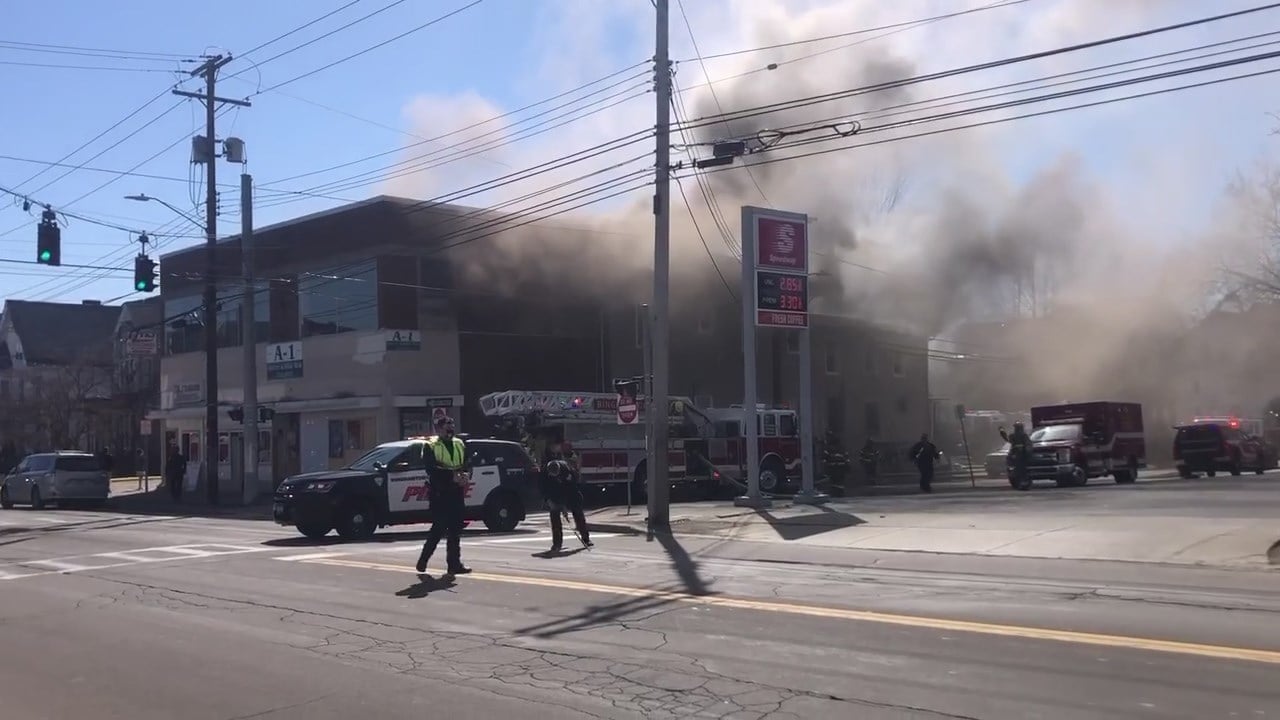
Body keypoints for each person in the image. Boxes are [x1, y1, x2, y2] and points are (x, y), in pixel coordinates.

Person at [415, 415, 472, 575]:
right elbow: (431, 469)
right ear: (438, 429)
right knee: (438, 528)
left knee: (455, 529)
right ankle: (424, 559)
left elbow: (467, 463)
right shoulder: (430, 445)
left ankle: (454, 564)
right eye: (446, 427)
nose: (450, 430)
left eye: (452, 427)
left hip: (456, 492)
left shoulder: (459, 443)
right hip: (439, 492)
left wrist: (466, 475)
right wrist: (451, 475)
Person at [541, 455, 592, 552]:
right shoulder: (544, 473)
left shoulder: (567, 470)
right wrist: (548, 500)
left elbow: (570, 488)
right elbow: (543, 488)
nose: (555, 477)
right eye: (553, 475)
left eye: (556, 475)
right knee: (555, 517)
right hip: (553, 495)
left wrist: (564, 507)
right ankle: (557, 543)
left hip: (571, 493)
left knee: (578, 514)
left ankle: (586, 538)